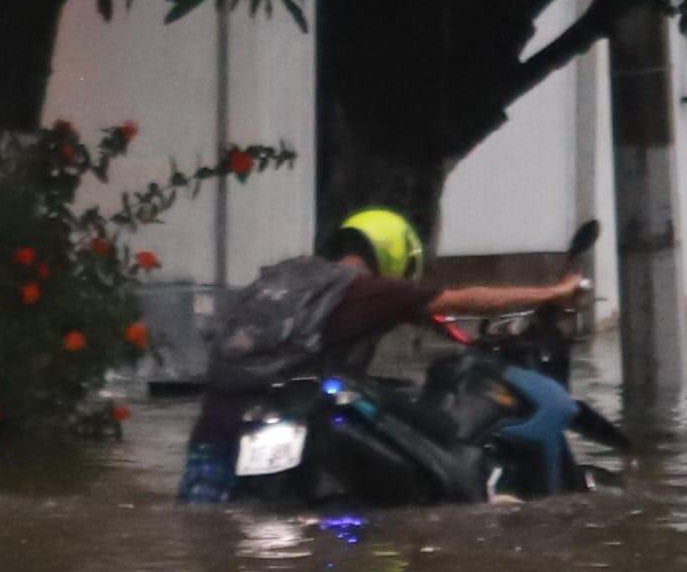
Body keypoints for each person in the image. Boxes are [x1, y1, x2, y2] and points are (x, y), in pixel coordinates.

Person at [179, 207, 585, 503]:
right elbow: (468, 299)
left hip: (219, 426)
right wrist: (554, 293)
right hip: (301, 431)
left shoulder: (286, 278)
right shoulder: (365, 289)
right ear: (396, 257)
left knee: (203, 532)